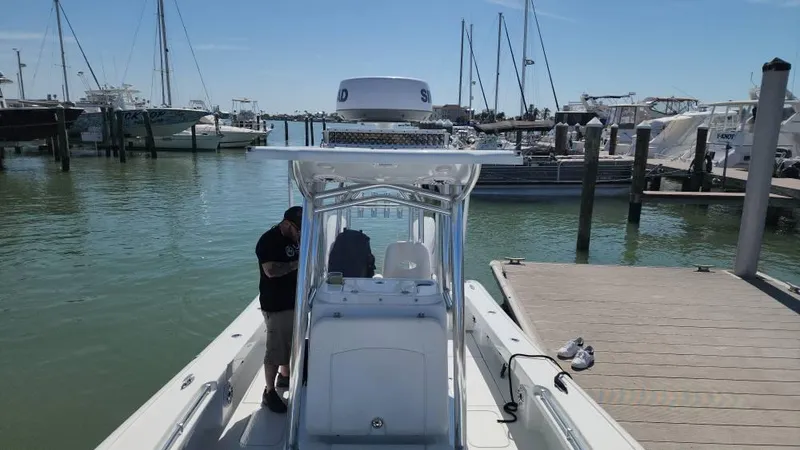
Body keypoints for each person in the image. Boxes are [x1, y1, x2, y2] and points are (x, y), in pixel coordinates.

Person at [255, 206, 302, 413]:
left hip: (293, 302)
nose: (299, 233)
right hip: (276, 304)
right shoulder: (268, 241)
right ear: (286, 224)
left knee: (291, 344)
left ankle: (285, 377)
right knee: (275, 349)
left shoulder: (297, 239)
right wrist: (298, 264)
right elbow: (271, 271)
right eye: (297, 229)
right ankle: (269, 392)